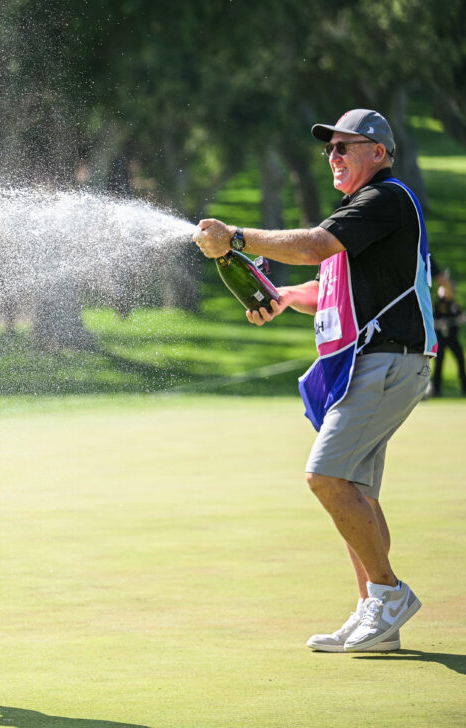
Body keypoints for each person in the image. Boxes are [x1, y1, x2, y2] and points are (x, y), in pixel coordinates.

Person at [193, 109, 434, 653]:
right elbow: (324, 285)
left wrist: (236, 235)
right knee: (357, 493)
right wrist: (280, 300)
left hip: (388, 359)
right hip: (379, 361)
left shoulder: (385, 199)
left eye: (346, 147)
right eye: (330, 149)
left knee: (325, 477)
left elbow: (311, 247)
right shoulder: (361, 213)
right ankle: (378, 616)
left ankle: (388, 595)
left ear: (379, 152)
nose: (334, 157)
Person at [431, 281, 465, 396]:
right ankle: (436, 389)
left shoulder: (454, 304)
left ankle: (464, 388)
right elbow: (432, 322)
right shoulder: (437, 304)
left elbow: (459, 317)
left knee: (460, 360)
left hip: (452, 338)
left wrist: (460, 319)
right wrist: (439, 324)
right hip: (440, 339)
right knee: (439, 362)